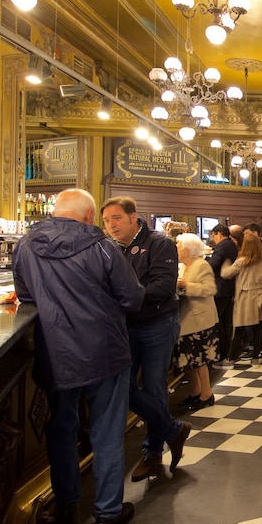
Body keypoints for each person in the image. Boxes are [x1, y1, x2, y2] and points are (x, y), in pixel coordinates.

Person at [13, 189, 144, 524]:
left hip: (57, 351)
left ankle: (66, 502)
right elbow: (132, 298)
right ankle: (107, 513)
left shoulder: (26, 245)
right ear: (88, 216)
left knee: (61, 429)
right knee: (106, 431)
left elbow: (26, 297)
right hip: (105, 351)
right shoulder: (103, 247)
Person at [101, 196, 191, 483]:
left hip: (157, 324)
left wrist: (123, 299)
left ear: (132, 217)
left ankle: (152, 453)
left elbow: (163, 288)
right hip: (126, 326)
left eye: (115, 218)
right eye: (105, 221)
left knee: (154, 388)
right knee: (124, 387)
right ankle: (174, 430)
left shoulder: (159, 243)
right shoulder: (111, 248)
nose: (111, 225)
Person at [174, 233, 219, 410]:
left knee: (199, 359)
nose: (176, 249)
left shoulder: (202, 265)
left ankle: (206, 394)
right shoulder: (184, 266)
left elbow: (210, 289)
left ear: (187, 249)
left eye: (178, 246)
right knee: (188, 360)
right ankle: (195, 392)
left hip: (200, 319)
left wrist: (186, 285)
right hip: (187, 318)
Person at [221, 233, 262, 368]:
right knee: (258, 329)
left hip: (246, 297)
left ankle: (230, 359)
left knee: (239, 328)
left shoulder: (242, 261)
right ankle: (255, 358)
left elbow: (226, 274)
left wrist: (225, 263)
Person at [206, 224, 238, 366]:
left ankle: (221, 353)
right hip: (228, 287)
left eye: (214, 235)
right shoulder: (231, 244)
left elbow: (214, 264)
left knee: (217, 321)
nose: (213, 238)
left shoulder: (222, 246)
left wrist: (204, 262)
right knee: (226, 322)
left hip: (220, 288)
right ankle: (227, 352)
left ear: (219, 234)